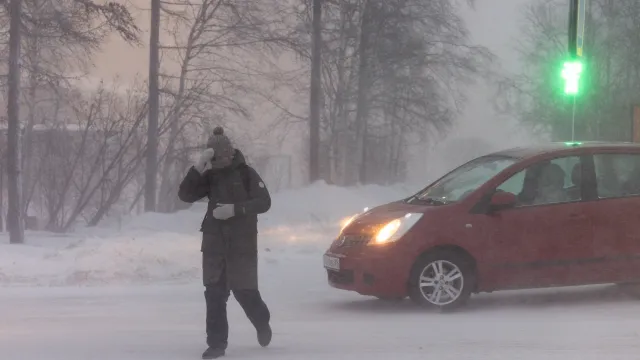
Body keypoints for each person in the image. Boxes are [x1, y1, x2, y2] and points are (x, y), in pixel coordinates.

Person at [178, 126, 272, 359]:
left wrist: (235, 210)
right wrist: (198, 166)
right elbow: (185, 195)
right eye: (213, 158)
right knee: (214, 294)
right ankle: (217, 344)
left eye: (220, 157)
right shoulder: (209, 175)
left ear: (229, 153)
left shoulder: (246, 173)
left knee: (245, 292)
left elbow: (264, 202)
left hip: (242, 244)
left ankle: (262, 322)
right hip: (214, 244)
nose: (218, 162)